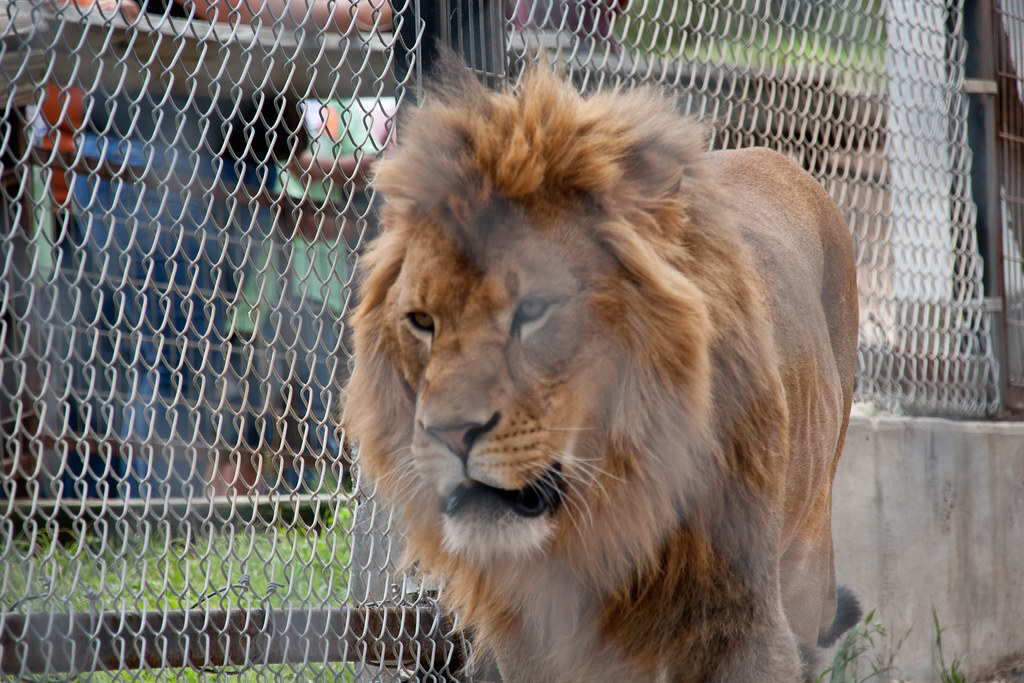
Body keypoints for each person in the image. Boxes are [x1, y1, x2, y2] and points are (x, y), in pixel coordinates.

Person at [56, 0, 391, 500]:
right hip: (170, 149)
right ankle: (149, 523)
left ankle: (111, 513)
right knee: (165, 364)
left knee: (147, 359)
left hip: (205, 150)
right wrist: (350, 13)